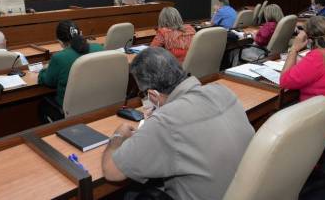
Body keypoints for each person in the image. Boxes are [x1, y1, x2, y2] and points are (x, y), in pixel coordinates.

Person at [102, 47, 254, 200]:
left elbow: (111, 172)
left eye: (143, 94)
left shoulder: (165, 122)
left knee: (130, 194)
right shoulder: (222, 91)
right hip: (248, 191)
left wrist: (118, 137)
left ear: (153, 94)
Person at [38, 20, 103, 119]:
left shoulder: (59, 58)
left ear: (60, 42)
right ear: (81, 34)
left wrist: (44, 70)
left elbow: (47, 82)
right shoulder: (99, 48)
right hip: (98, 103)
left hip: (70, 111)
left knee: (42, 104)